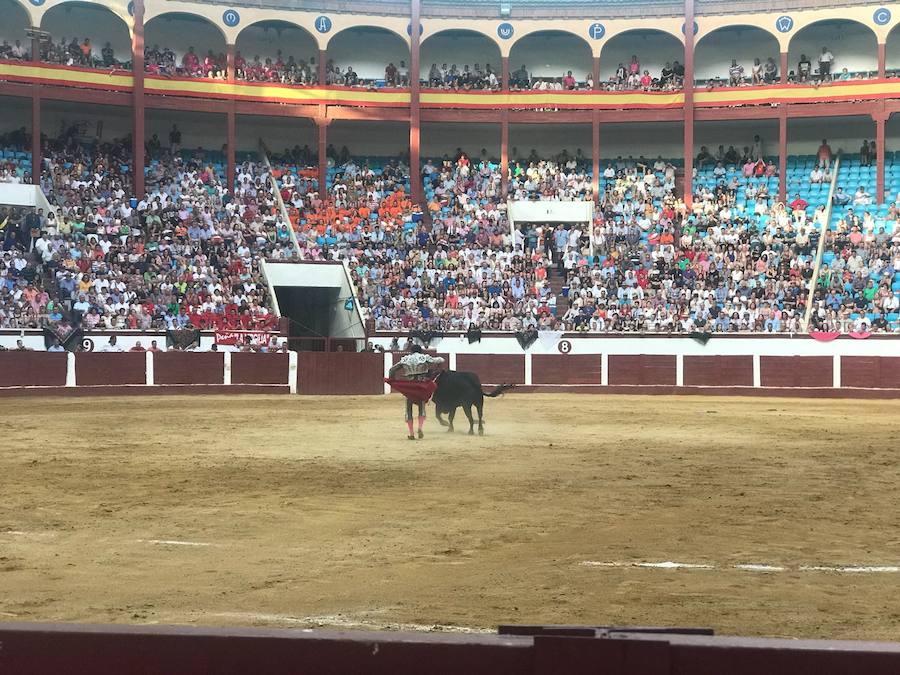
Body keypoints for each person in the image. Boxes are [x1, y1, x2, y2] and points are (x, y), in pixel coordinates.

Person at [386, 344, 445, 440]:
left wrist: (394, 381)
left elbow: (392, 370)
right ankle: (420, 428)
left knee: (408, 409)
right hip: (421, 386)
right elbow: (440, 360)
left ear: (411, 351)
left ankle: (411, 433)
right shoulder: (423, 357)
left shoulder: (405, 359)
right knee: (421, 407)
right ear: (420, 351)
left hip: (409, 387)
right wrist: (438, 360)